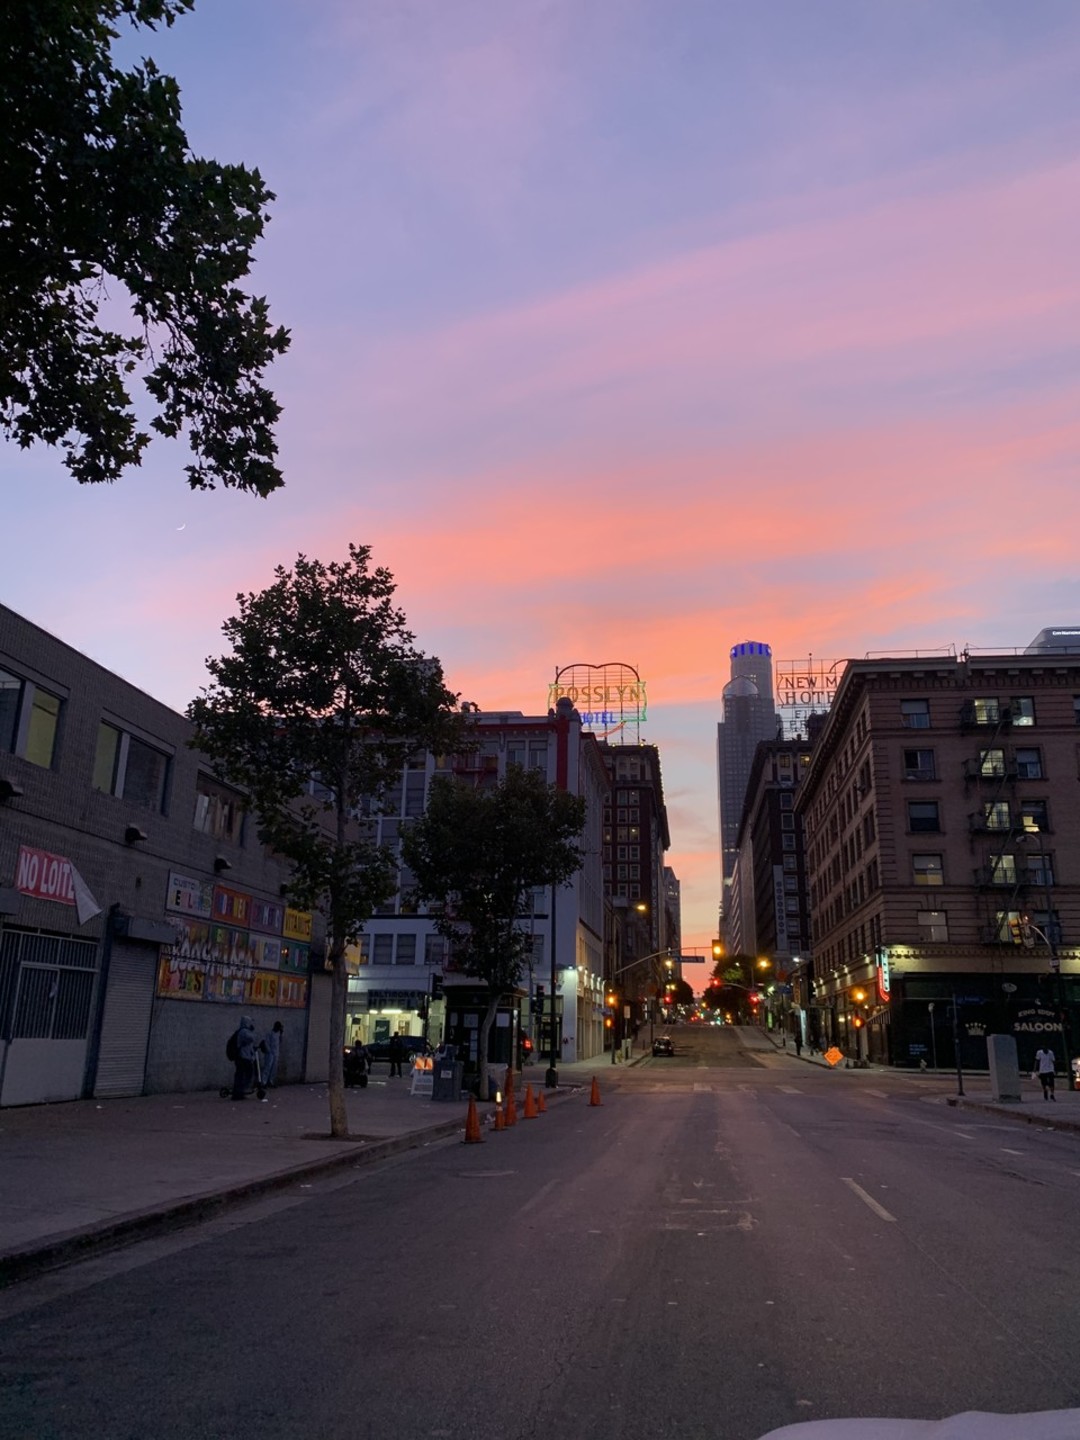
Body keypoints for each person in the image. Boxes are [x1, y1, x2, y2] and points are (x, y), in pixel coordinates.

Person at [230, 1015, 258, 1100]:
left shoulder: (242, 1031)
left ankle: (239, 1092)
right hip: (243, 1057)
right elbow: (251, 1038)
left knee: (241, 1075)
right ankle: (239, 1092)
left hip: (244, 1056)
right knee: (245, 1074)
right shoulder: (244, 1032)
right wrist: (252, 1031)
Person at [260, 1021, 284, 1088]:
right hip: (270, 1053)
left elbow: (280, 1041)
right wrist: (269, 1051)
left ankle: (271, 1081)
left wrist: (281, 1033)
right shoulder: (269, 1033)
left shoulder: (278, 1034)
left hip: (276, 1053)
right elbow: (266, 1043)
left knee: (274, 1068)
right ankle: (263, 1082)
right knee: (267, 1067)